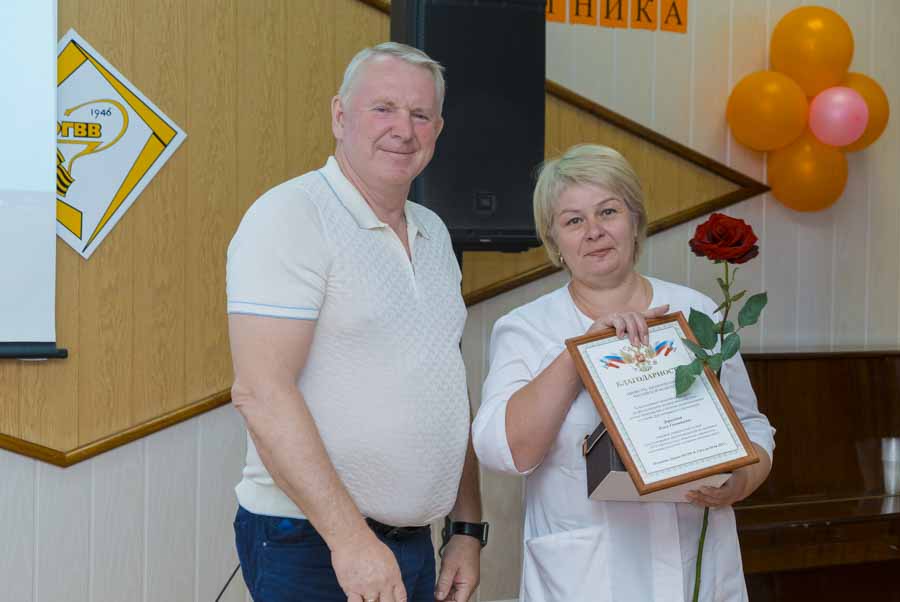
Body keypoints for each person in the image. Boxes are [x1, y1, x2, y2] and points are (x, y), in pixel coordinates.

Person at [226, 42, 485, 602]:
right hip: (313, 543)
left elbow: (445, 387)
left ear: (438, 130)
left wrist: (466, 527)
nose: (403, 130)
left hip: (412, 543)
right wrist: (350, 541)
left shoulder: (434, 232)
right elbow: (260, 393)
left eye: (420, 115)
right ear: (340, 116)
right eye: (383, 109)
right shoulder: (291, 215)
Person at [472, 144, 775, 601]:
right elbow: (504, 453)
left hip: (697, 567)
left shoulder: (695, 311)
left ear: (635, 220)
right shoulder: (526, 329)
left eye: (608, 212)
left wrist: (739, 483)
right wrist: (579, 355)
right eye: (574, 221)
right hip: (586, 580)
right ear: (555, 241)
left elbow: (751, 427)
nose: (594, 231)